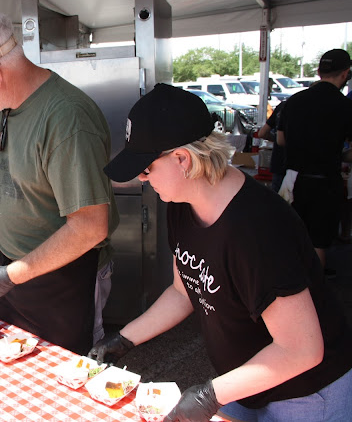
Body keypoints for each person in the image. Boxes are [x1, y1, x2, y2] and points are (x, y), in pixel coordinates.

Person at [89, 83, 352, 422]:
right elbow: (183, 291)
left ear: (182, 159)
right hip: (241, 380)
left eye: (146, 169)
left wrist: (209, 395)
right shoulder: (181, 204)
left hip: (304, 392)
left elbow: (302, 349)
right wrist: (124, 339)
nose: (141, 179)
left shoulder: (257, 228)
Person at [0, 6, 118, 355]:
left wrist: (10, 276)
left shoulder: (67, 118)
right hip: (12, 269)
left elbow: (90, 226)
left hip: (66, 276)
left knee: (65, 372)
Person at [277, 49, 352, 268]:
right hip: (326, 182)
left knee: (290, 239)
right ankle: (314, 288)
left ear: (319, 72)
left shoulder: (294, 101)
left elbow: (280, 139)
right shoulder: (345, 106)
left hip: (293, 180)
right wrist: (341, 155)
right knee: (317, 242)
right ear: (345, 74)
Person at [256, 100, 286, 192]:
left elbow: (262, 133)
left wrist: (276, 139)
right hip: (298, 166)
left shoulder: (283, 106)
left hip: (279, 162)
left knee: (277, 197)